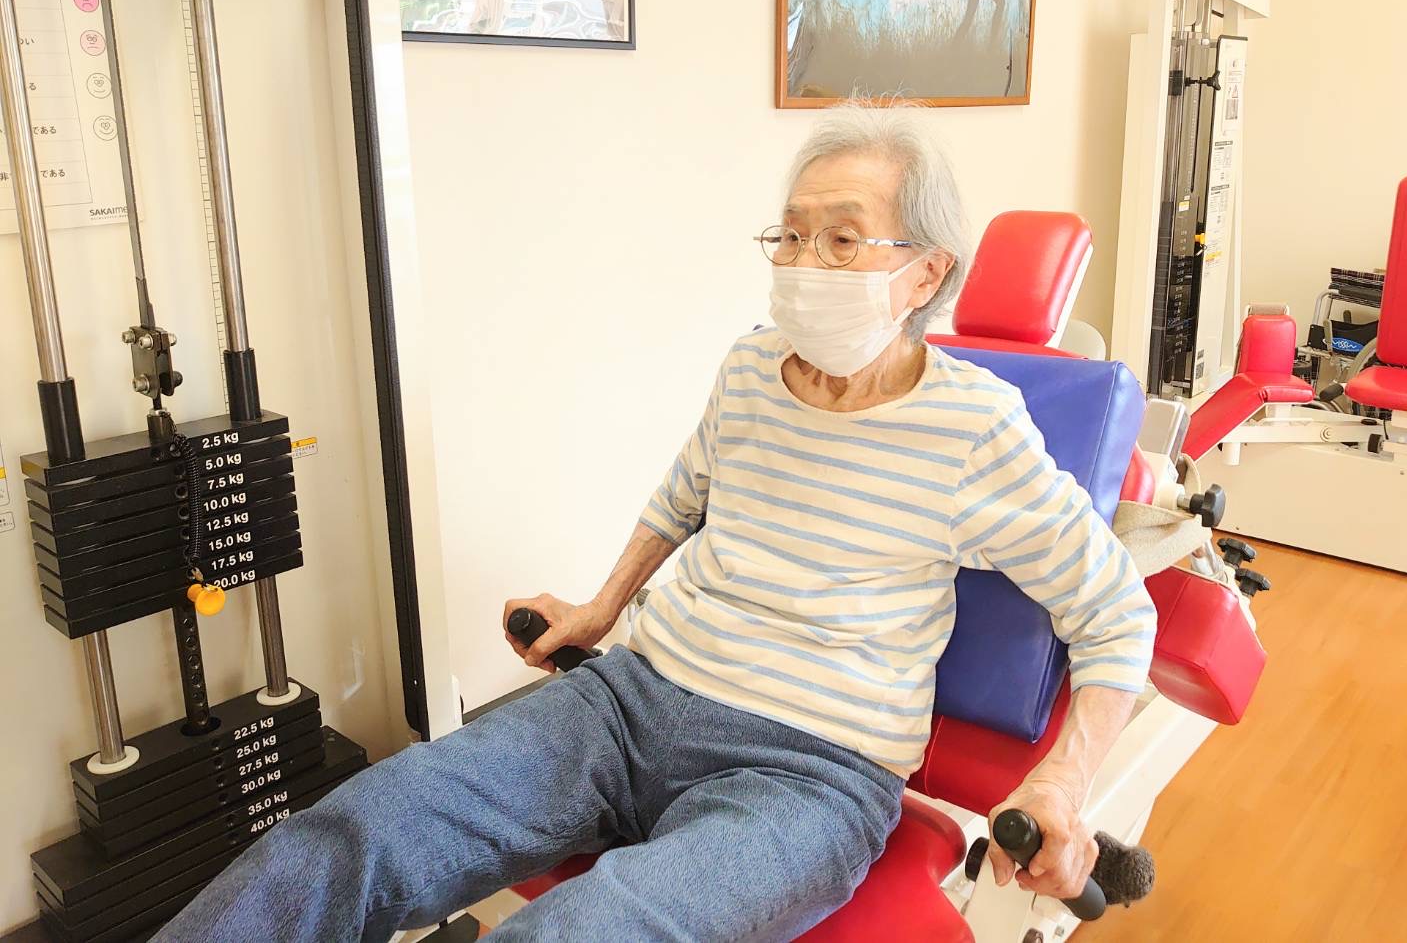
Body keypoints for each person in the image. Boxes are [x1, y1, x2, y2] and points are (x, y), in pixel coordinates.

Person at [155, 102, 1156, 942]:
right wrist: (600, 607)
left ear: (926, 274)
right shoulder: (752, 366)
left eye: (842, 239)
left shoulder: (974, 425)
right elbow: (685, 492)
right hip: (630, 698)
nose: (804, 261)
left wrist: (1062, 783)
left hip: (809, 772)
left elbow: (1114, 609)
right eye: (791, 235)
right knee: (352, 834)